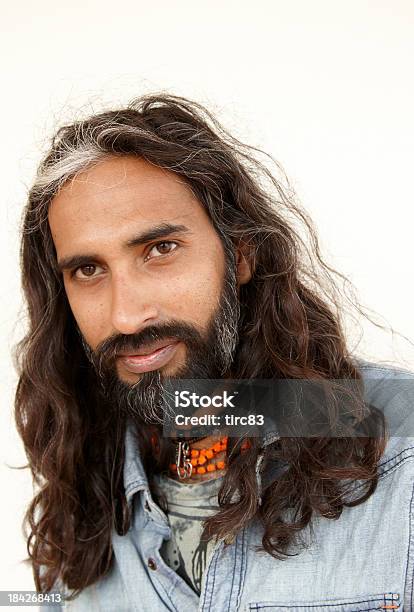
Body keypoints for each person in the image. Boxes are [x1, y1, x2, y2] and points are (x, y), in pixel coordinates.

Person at [15, 94, 414, 611]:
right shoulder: (80, 510)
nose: (126, 317)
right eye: (88, 270)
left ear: (241, 252)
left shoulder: (400, 452)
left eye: (160, 250)